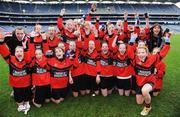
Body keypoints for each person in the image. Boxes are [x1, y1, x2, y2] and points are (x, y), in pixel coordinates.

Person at [129, 33, 170, 116]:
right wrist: (132, 40)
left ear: (147, 52)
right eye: (139, 53)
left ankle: (148, 106)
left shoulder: (152, 58)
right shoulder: (135, 59)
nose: (141, 54)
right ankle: (146, 96)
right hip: (139, 83)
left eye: (143, 52)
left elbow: (162, 53)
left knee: (145, 90)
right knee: (139, 102)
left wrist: (167, 42)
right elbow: (129, 51)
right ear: (136, 54)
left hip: (150, 81)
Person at [0, 41, 31, 114]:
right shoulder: (11, 59)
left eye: (21, 51)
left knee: (26, 93)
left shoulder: (26, 60)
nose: (19, 53)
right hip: (16, 83)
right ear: (14, 53)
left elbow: (29, 60)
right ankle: (20, 105)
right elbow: (5, 53)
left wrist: (25, 49)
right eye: (17, 51)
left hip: (26, 83)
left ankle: (26, 102)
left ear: (24, 53)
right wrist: (1, 43)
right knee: (17, 94)